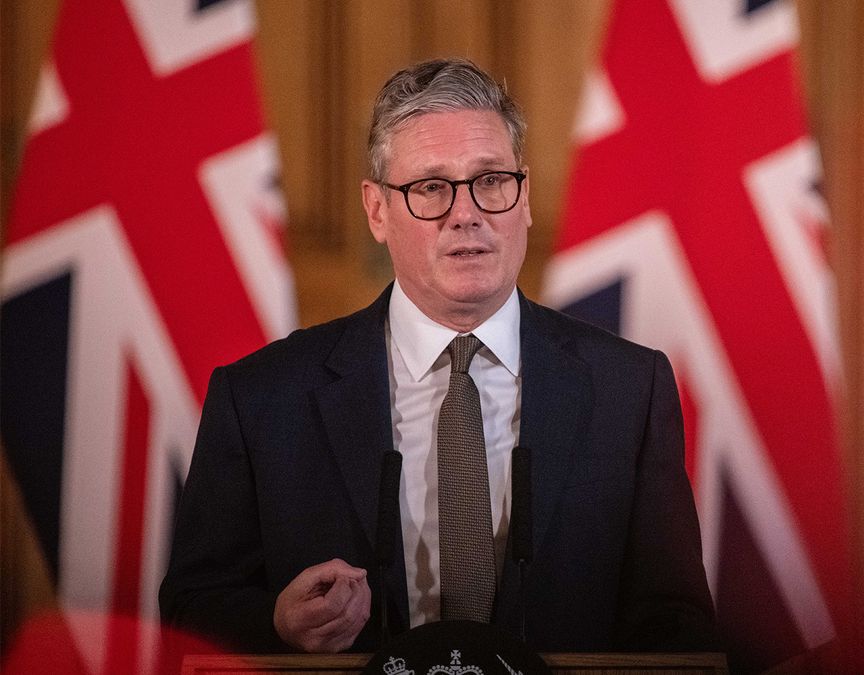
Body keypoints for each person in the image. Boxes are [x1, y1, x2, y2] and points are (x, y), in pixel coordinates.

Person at [159, 58, 716, 654]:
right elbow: (191, 608)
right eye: (431, 188)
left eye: (492, 181)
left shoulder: (628, 389)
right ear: (377, 210)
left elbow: (676, 625)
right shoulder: (262, 398)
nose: (467, 213)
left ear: (524, 197)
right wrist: (275, 622)